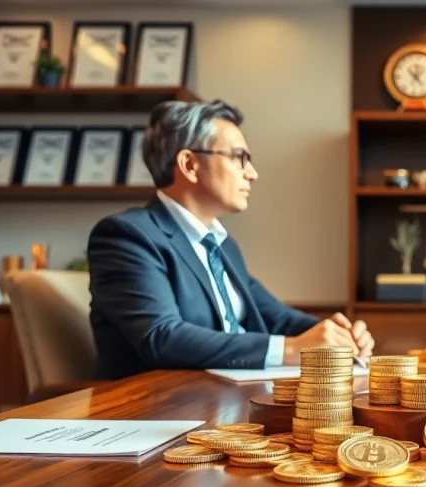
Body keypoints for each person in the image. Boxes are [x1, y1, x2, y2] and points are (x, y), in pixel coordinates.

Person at [87, 99, 373, 380]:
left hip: (226, 397)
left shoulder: (222, 245)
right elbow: (162, 337)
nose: (252, 173)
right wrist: (292, 349)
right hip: (160, 406)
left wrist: (337, 335)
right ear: (189, 164)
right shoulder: (127, 235)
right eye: (239, 158)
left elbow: (278, 317)